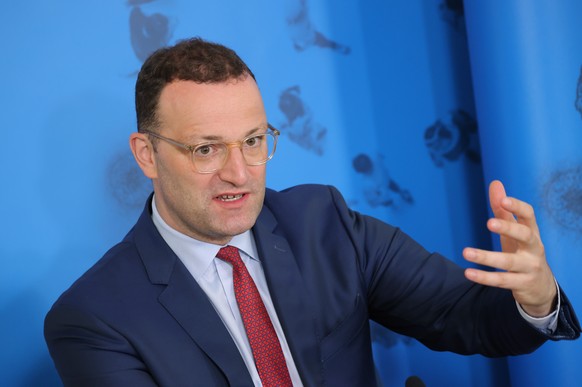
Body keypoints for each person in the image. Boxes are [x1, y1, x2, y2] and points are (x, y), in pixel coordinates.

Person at [44, 37, 580, 387]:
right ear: (147, 155)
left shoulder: (324, 223)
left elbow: (467, 317)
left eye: (254, 140)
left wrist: (533, 298)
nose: (240, 172)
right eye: (206, 149)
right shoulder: (93, 318)